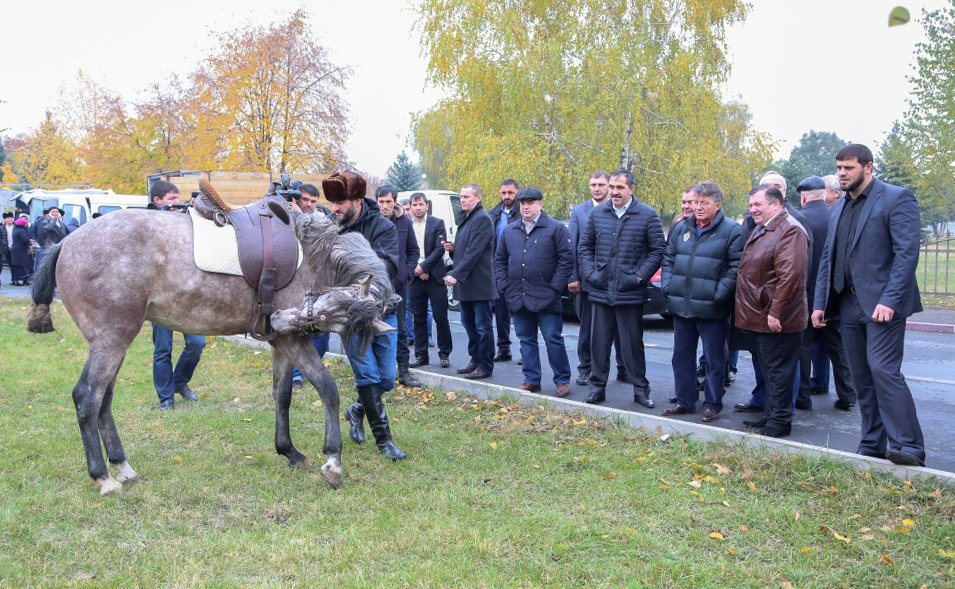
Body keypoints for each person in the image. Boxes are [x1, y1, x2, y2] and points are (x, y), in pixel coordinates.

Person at [812, 144, 925, 466]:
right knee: (861, 376)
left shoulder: (896, 197)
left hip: (882, 304)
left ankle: (909, 446)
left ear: (868, 167)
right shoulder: (839, 207)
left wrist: (890, 299)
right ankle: (872, 443)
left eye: (848, 168)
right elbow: (828, 260)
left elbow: (906, 254)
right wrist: (820, 302)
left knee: (883, 370)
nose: (842, 173)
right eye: (839, 168)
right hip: (846, 303)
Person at [325, 171, 406, 460]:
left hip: (384, 312)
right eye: (332, 202)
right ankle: (384, 441)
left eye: (340, 202)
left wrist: (357, 271)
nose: (334, 208)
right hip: (351, 317)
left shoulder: (383, 227)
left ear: (357, 200)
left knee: (386, 379)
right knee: (368, 376)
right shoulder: (334, 231)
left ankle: (356, 409)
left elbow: (388, 267)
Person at [578, 169, 665, 407]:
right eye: (612, 187)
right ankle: (597, 388)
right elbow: (585, 247)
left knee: (632, 345)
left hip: (629, 292)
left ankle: (641, 390)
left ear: (631, 189)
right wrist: (591, 273)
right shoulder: (598, 214)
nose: (614, 192)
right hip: (600, 290)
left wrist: (638, 277)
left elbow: (658, 250)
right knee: (599, 344)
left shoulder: (647, 215)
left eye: (619, 188)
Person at [660, 181, 743, 422]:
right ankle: (685, 400)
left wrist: (719, 294)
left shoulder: (731, 231)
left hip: (712, 307)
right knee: (681, 357)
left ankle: (712, 403)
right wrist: (668, 286)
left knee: (714, 359)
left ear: (717, 205)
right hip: (682, 305)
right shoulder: (681, 228)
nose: (697, 207)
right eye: (695, 202)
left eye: (703, 203)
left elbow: (735, 268)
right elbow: (668, 259)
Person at [735, 185, 809, 438]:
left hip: (777, 318)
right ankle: (770, 417)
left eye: (758, 204)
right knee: (770, 371)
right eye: (751, 204)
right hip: (761, 315)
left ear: (775, 205)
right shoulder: (765, 227)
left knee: (780, 373)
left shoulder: (789, 231)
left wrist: (776, 312)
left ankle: (779, 423)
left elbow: (791, 277)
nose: (753, 209)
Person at [494, 187, 574, 396]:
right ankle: (531, 379)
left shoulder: (555, 228)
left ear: (541, 204)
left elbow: (566, 261)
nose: (526, 207)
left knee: (553, 339)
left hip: (547, 297)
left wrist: (555, 288)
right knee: (526, 340)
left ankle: (562, 380)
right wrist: (504, 285)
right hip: (518, 296)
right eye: (523, 203)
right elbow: (500, 259)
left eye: (530, 202)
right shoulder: (510, 230)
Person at [796, 176, 856, 411]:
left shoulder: (799, 219)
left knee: (803, 348)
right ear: (825, 194)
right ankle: (848, 395)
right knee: (838, 348)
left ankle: (802, 398)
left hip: (806, 294)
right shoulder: (837, 215)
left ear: (803, 197)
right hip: (834, 294)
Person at [148, 181, 205, 411]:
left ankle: (180, 382)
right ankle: (165, 398)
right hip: (160, 296)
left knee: (197, 343)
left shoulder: (184, 220)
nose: (176, 203)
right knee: (163, 349)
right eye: (171, 199)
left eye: (177, 198)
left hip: (186, 295)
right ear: (157, 201)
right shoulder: (147, 224)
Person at [568, 170, 625, 386]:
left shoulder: (619, 209)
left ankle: (624, 368)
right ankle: (585, 368)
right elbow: (572, 247)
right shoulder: (579, 212)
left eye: (601, 184)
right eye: (593, 184)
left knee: (620, 330)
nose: (597, 188)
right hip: (586, 282)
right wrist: (574, 277)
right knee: (587, 330)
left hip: (615, 282)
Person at [443, 183, 495, 380]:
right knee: (469, 324)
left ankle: (485, 365)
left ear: (478, 198)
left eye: (467, 197)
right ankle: (475, 359)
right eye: (462, 196)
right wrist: (453, 248)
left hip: (479, 283)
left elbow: (474, 253)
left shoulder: (482, 219)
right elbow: (466, 249)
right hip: (466, 284)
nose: (463, 200)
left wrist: (455, 273)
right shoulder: (466, 219)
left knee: (483, 327)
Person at [376, 186, 421, 388]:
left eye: (388, 201)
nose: (384, 206)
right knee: (370, 327)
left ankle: (403, 372)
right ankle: (375, 373)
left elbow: (413, 252)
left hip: (398, 286)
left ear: (394, 201)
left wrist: (406, 274)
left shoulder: (404, 223)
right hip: (373, 286)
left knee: (400, 329)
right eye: (381, 201)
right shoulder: (371, 222)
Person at [288, 182, 332, 388]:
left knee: (322, 334)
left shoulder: (322, 219)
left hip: (318, 285)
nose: (309, 204)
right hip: (292, 284)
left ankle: (306, 369)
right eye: (305, 199)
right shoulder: (285, 217)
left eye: (313, 201)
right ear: (297, 199)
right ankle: (296, 374)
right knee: (296, 331)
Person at [407, 192, 453, 369]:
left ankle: (444, 354)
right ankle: (421, 355)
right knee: (418, 319)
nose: (418, 208)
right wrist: (417, 271)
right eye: (414, 205)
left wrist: (424, 267)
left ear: (427, 206)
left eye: (421, 204)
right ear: (410, 207)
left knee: (440, 316)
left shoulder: (437, 223)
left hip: (434, 277)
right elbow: (403, 252)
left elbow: (439, 250)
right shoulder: (406, 225)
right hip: (415, 279)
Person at [488, 179, 519, 362]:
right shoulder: (493, 214)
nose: (507, 196)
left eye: (510, 193)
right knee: (500, 312)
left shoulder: (522, 213)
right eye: (504, 193)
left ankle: (525, 350)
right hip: (499, 268)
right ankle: (504, 348)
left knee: (523, 311)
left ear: (517, 193)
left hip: (519, 268)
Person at [10, 216, 33, 286]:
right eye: (25, 224)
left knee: (16, 266)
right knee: (23, 265)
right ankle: (24, 280)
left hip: (15, 250)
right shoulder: (21, 231)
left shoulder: (15, 230)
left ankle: (15, 280)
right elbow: (25, 240)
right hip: (21, 250)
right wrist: (30, 242)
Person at [1, 212, 13, 276]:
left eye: (11, 218)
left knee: (14, 265)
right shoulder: (1, 228)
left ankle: (15, 279)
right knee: (10, 264)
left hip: (15, 248)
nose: (10, 219)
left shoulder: (16, 227)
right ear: (5, 219)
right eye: (8, 218)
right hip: (6, 249)